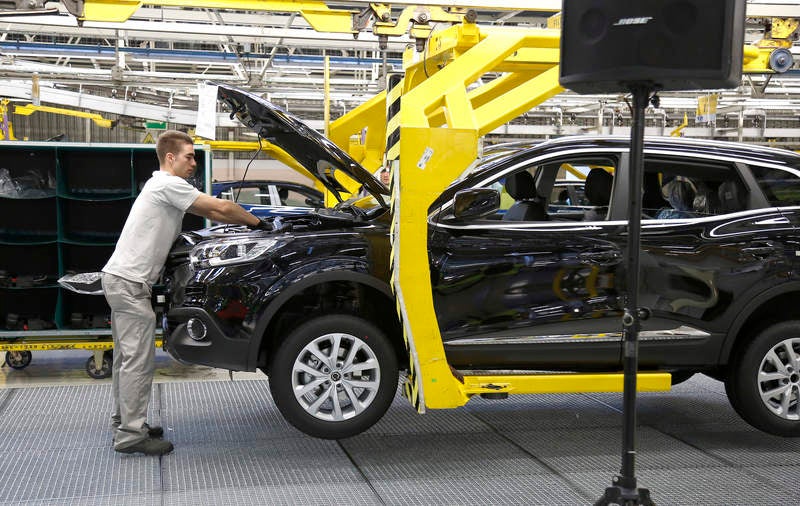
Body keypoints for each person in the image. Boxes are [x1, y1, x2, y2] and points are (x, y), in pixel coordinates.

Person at [101, 130, 266, 456]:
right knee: (138, 363)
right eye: (189, 156)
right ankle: (131, 435)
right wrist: (259, 224)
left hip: (120, 280)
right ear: (170, 158)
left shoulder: (159, 186)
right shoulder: (167, 184)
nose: (194, 162)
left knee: (125, 361)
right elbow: (218, 209)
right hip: (130, 285)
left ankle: (126, 422)